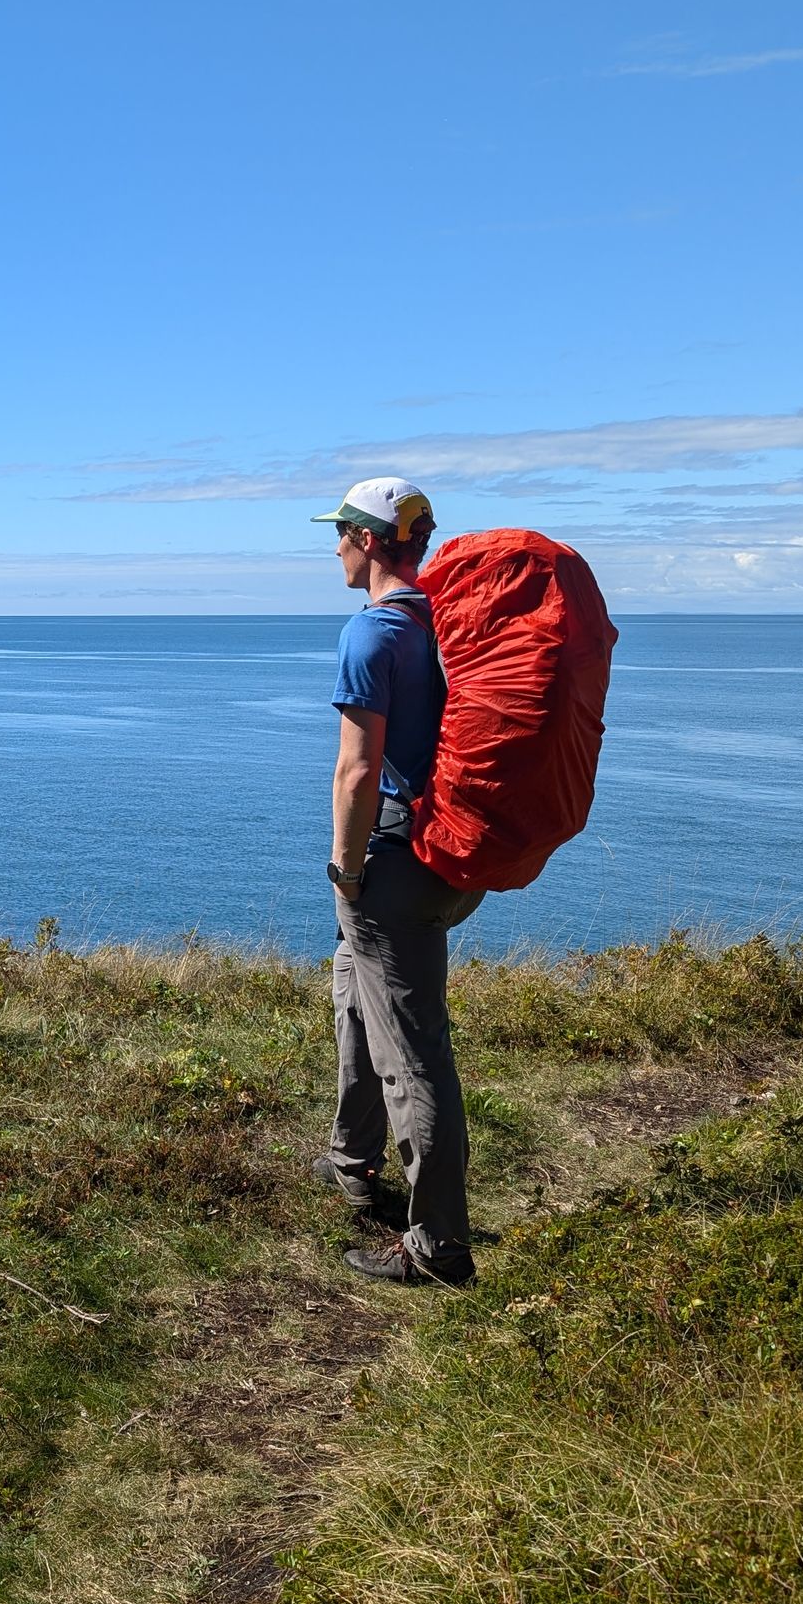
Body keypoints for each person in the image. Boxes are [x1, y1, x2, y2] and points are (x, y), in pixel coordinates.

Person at [309, 477, 485, 1286]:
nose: (334, 548)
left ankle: (440, 1249)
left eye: (341, 534)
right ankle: (352, 1159)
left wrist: (346, 871)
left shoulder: (372, 636)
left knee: (414, 1054)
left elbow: (356, 771)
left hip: (394, 857)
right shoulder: (442, 625)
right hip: (446, 852)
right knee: (354, 989)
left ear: (371, 540)